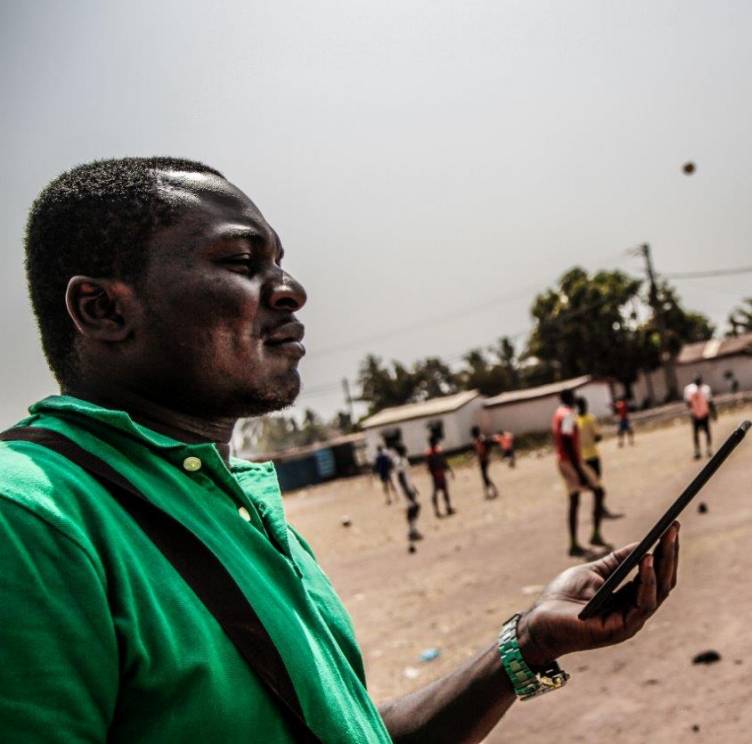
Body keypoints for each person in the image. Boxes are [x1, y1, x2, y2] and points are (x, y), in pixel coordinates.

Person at [0, 157, 682, 743]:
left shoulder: (225, 499)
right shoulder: (30, 519)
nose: (290, 290)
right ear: (101, 309)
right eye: (241, 262)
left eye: (280, 262)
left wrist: (532, 641)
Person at [552, 388, 611, 557]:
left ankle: (574, 543)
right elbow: (567, 441)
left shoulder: (558, 413)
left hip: (564, 460)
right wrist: (579, 471)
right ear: (569, 398)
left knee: (575, 500)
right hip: (571, 462)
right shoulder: (568, 414)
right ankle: (594, 535)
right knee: (599, 492)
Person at [391, 443, 423, 550]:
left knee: (413, 508)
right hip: (406, 490)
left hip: (408, 488)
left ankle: (412, 530)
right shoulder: (400, 461)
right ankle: (412, 531)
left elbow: (407, 476)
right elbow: (401, 478)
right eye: (405, 449)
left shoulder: (402, 460)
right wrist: (407, 491)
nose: (406, 451)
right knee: (415, 507)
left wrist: (413, 487)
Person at [683, 374, 716, 459]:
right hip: (695, 414)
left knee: (707, 432)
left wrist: (713, 413)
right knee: (695, 433)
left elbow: (710, 401)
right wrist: (693, 410)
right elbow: (688, 402)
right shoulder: (689, 389)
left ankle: (709, 449)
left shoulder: (706, 389)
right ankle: (697, 451)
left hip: (704, 413)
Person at [424, 434, 456, 518]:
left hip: (440, 474)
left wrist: (449, 470)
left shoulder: (437, 451)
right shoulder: (430, 453)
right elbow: (430, 466)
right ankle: (438, 510)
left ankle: (447, 508)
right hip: (437, 475)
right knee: (436, 493)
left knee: (444, 492)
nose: (434, 443)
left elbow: (444, 462)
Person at [470, 426, 499, 500]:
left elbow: (488, 447)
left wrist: (486, 455)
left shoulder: (482, 439)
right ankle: (489, 491)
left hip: (485, 459)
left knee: (485, 475)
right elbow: (477, 450)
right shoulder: (476, 440)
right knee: (483, 476)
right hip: (481, 459)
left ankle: (493, 490)